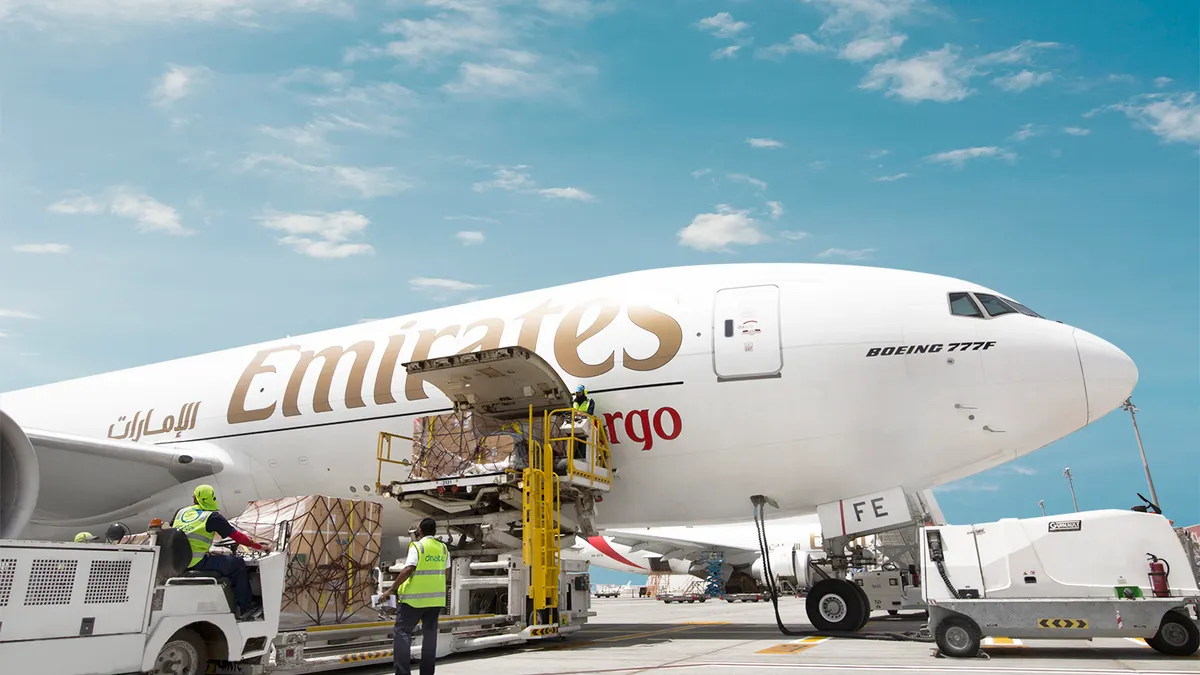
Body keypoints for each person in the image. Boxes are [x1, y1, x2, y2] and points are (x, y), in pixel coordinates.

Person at [171, 484, 270, 619]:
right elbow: (237, 537)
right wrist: (258, 546)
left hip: (176, 562)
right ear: (212, 498)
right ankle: (246, 606)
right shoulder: (212, 517)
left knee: (222, 561)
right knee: (237, 564)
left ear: (195, 498)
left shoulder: (181, 512)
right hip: (196, 562)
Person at [379, 517, 449, 675]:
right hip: (435, 600)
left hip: (413, 600)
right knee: (430, 636)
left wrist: (391, 589)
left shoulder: (417, 547)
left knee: (402, 632)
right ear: (435, 531)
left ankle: (403, 672)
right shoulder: (443, 548)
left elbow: (408, 568)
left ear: (420, 531)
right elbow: (445, 572)